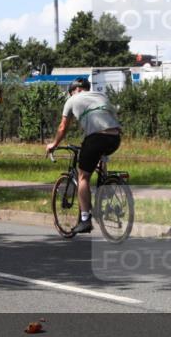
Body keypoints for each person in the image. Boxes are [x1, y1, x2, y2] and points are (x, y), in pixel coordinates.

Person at [45, 77, 122, 234]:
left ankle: (85, 219)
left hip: (96, 137)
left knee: (83, 177)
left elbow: (63, 126)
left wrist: (54, 144)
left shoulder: (72, 100)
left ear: (74, 91)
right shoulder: (101, 96)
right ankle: (105, 186)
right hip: (115, 137)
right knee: (99, 154)